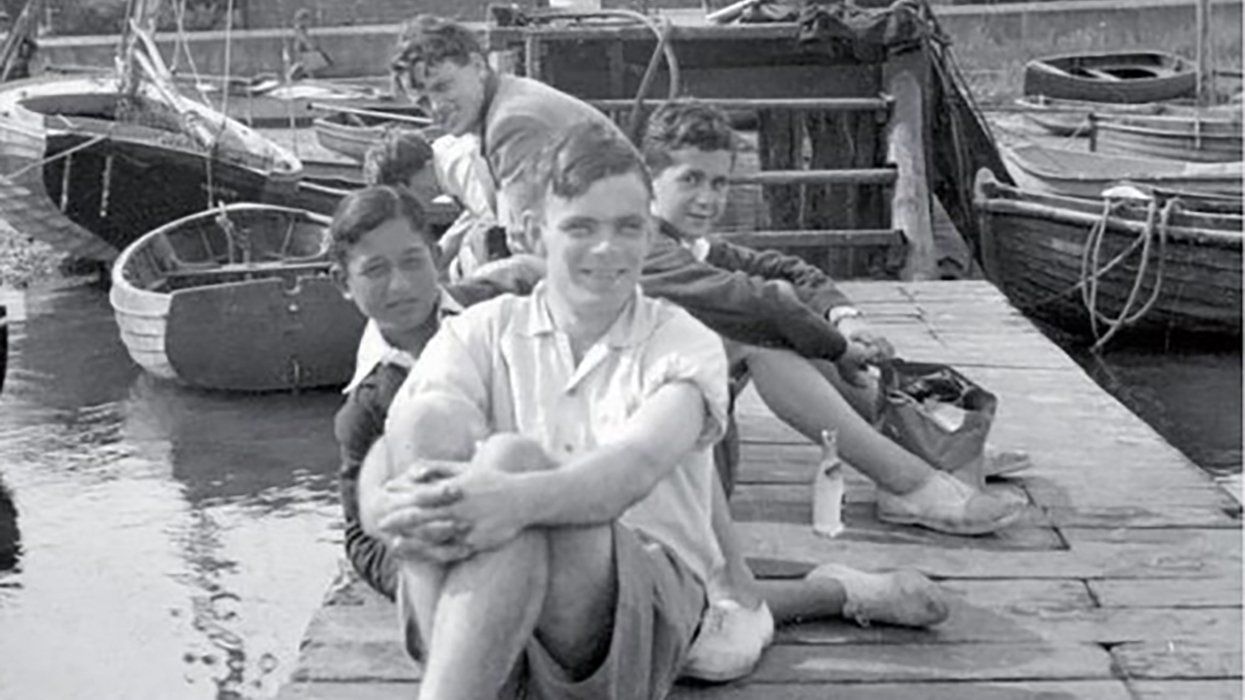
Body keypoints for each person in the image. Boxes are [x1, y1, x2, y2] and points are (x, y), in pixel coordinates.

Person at [330, 185, 533, 601]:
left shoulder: (497, 313)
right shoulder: (366, 405)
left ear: (437, 259)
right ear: (343, 282)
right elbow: (361, 537)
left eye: (412, 262)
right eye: (375, 271)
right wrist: (421, 580)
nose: (400, 285)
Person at [388, 14, 626, 275]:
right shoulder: (500, 106)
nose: (436, 108)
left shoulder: (513, 124)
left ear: (478, 66)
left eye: (443, 87)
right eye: (422, 101)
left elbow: (529, 249)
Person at [285, 9, 331, 82]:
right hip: (303, 50)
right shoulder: (300, 28)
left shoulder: (302, 28)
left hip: (303, 50)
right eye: (306, 19)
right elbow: (301, 38)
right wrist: (309, 46)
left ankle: (309, 80)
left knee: (307, 68)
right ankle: (291, 78)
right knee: (305, 66)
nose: (308, 22)